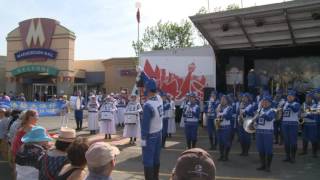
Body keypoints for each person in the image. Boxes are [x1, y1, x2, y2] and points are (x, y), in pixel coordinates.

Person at [139, 70, 163, 180]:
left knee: (148, 160)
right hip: (159, 133)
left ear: (147, 90)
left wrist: (143, 139)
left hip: (150, 136)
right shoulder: (159, 98)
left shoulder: (148, 105)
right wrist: (143, 72)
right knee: (156, 158)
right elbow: (149, 81)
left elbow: (145, 126)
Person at [255, 95, 276, 172]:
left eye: (266, 102)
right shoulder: (259, 110)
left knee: (268, 150)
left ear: (270, 103)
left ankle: (268, 166)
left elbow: (269, 118)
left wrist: (262, 113)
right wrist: (253, 123)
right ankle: (262, 165)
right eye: (263, 101)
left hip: (268, 132)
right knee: (261, 149)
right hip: (259, 132)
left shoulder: (272, 110)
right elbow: (256, 120)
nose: (264, 103)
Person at [282, 90, 301, 163]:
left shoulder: (296, 103)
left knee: (293, 141)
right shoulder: (284, 103)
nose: (289, 97)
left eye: (291, 96)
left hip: (293, 124)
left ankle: (293, 157)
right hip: (285, 124)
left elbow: (295, 110)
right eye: (288, 96)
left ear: (294, 97)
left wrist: (289, 105)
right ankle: (287, 156)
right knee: (286, 141)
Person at [299, 92, 318, 157]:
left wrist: (305, 114)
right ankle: (304, 151)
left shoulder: (315, 105)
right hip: (305, 123)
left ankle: (314, 153)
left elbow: (312, 116)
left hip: (312, 124)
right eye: (306, 97)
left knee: (313, 139)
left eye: (309, 97)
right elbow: (300, 114)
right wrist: (301, 122)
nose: (307, 99)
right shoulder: (303, 104)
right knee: (304, 138)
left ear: (312, 98)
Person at [216, 95, 233, 161]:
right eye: (221, 99)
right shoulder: (218, 106)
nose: (222, 101)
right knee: (220, 142)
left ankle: (226, 156)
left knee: (226, 142)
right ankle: (221, 155)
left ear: (227, 101)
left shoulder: (229, 108)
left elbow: (228, 117)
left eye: (224, 99)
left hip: (226, 128)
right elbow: (217, 117)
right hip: (219, 126)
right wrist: (217, 126)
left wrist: (220, 113)